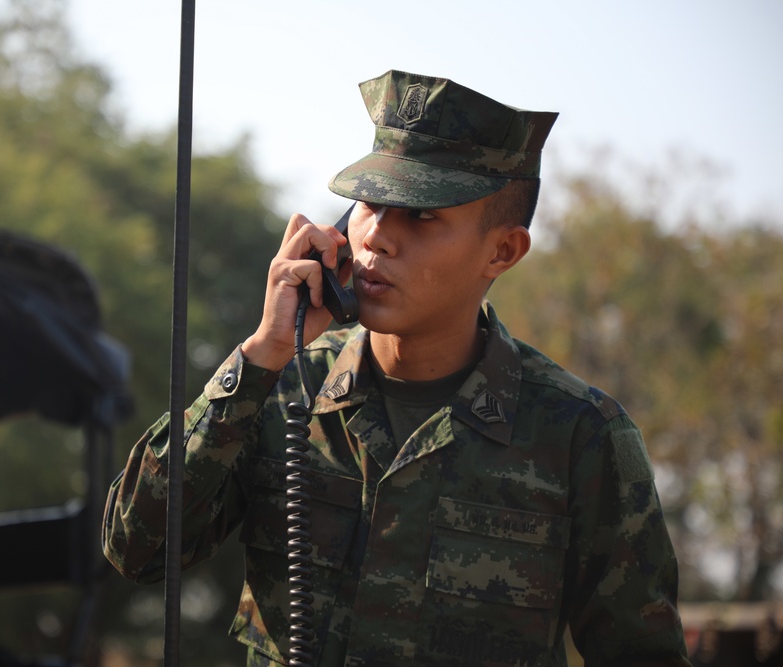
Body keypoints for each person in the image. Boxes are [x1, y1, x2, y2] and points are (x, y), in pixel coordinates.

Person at [103, 69, 690, 666]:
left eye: (423, 216)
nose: (377, 238)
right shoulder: (282, 387)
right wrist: (262, 354)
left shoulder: (579, 436)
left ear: (502, 250)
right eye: (369, 205)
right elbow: (136, 549)